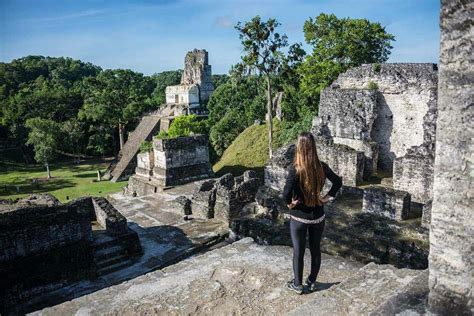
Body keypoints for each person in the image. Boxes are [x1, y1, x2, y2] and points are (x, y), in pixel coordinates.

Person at [284, 132, 342, 294]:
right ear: (314, 147)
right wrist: (325, 198)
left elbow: (285, 194)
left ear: (299, 148)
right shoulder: (321, 167)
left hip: (299, 217)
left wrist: (291, 203)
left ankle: (297, 284)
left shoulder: (295, 169)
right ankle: (311, 281)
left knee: (299, 252)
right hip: (318, 216)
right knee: (315, 250)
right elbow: (338, 182)